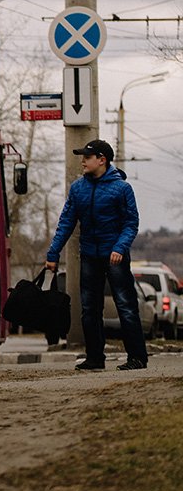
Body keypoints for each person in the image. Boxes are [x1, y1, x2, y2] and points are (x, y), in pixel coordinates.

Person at [44, 138, 148, 371]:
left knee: (125, 305)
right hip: (90, 254)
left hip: (115, 255)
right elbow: (66, 223)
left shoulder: (122, 188)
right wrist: (53, 253)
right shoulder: (78, 188)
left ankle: (137, 357)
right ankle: (94, 358)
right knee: (90, 308)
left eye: (87, 157)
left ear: (102, 160)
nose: (82, 162)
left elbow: (131, 223)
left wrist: (119, 248)